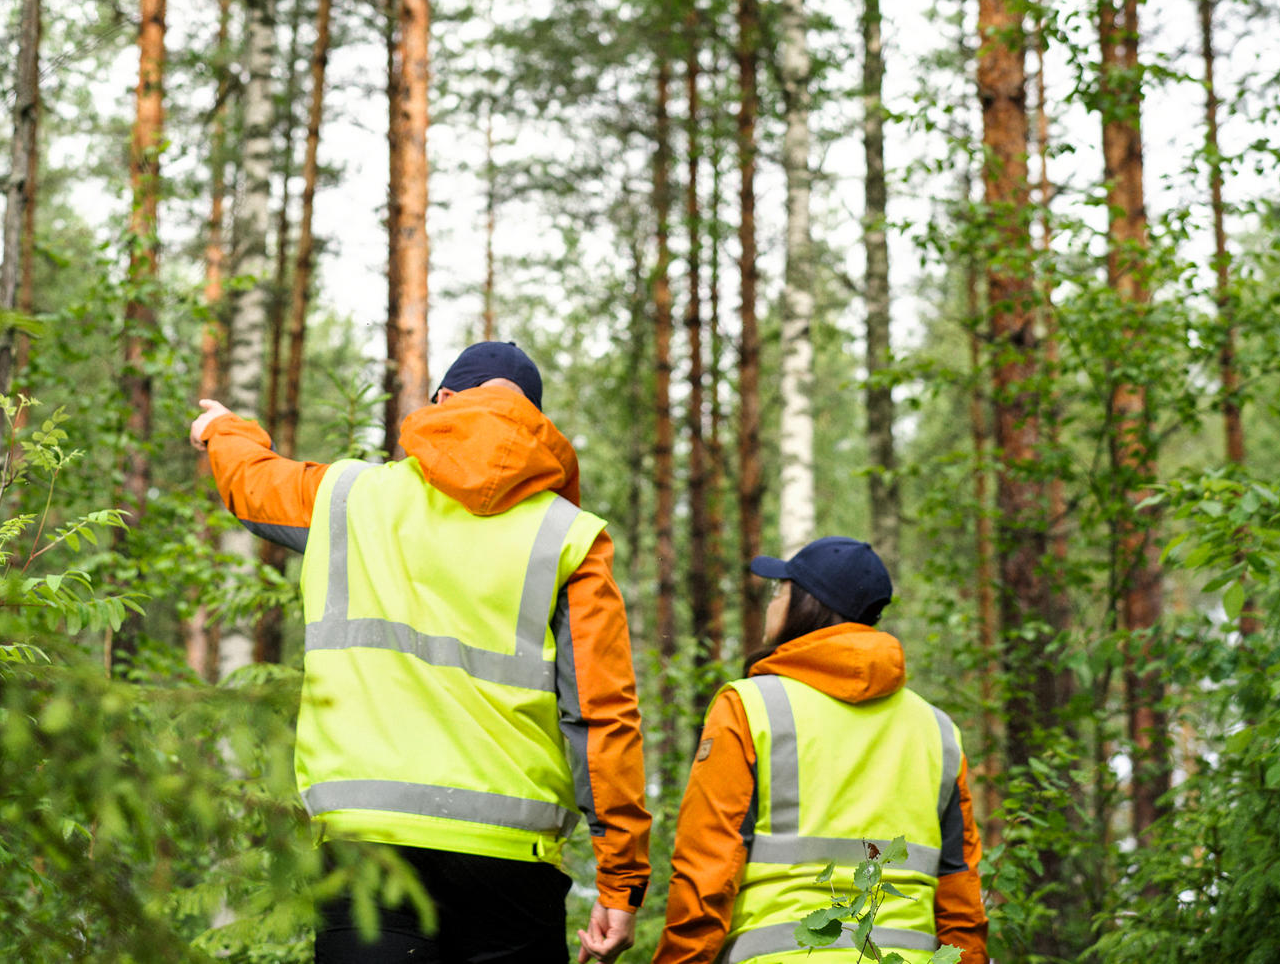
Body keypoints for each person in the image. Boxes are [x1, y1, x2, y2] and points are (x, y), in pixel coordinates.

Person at [190, 341, 651, 964]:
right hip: (510, 866)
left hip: (368, 851)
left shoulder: (350, 498)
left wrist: (224, 429)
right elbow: (602, 715)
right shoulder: (568, 536)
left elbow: (254, 483)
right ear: (538, 423)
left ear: (443, 403)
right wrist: (621, 879)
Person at [652, 538, 988, 964]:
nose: (772, 602)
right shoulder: (937, 730)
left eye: (780, 590)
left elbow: (706, 873)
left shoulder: (749, 708)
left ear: (807, 604)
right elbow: (961, 892)